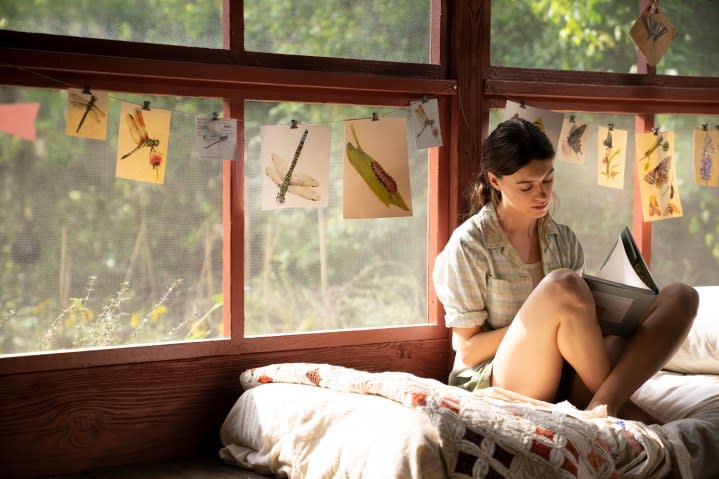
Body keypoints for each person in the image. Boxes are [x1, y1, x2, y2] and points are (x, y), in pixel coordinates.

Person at [432, 116, 699, 422]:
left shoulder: (563, 239)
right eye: (526, 185)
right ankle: (622, 411)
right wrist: (544, 319)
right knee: (563, 286)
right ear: (495, 181)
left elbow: (578, 331)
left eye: (548, 179)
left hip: (568, 372)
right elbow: (467, 351)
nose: (542, 194)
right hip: (501, 378)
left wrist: (593, 316)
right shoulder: (469, 245)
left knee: (681, 297)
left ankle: (605, 406)